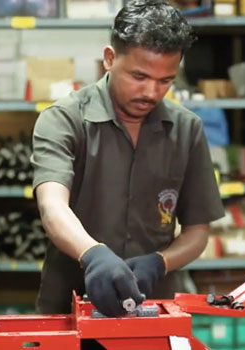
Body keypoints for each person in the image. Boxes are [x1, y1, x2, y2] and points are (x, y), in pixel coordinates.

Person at [31, 0, 225, 320]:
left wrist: (161, 261)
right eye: (139, 76)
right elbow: (52, 206)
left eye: (165, 81)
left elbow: (197, 232)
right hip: (69, 307)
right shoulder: (64, 120)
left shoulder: (187, 129)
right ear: (110, 58)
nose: (151, 92)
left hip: (152, 308)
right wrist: (92, 254)